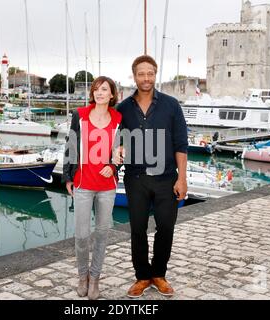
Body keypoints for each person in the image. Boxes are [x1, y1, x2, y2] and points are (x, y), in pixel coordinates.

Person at [115, 55, 188, 298]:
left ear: (155, 75)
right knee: (137, 229)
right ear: (134, 76)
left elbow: (181, 144)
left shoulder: (171, 105)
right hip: (135, 178)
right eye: (141, 74)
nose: (146, 78)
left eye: (150, 73)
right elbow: (114, 141)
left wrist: (182, 178)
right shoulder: (123, 108)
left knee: (166, 227)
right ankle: (142, 276)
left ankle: (159, 274)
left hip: (166, 177)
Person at [63, 76, 122, 300]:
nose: (99, 92)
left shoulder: (118, 119)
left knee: (102, 233)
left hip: (107, 186)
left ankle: (95, 277)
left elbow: (121, 149)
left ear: (111, 94)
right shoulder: (80, 115)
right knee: (81, 236)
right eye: (96, 89)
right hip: (83, 184)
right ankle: (82, 276)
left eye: (104, 89)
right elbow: (70, 145)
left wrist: (113, 166)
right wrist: (68, 177)